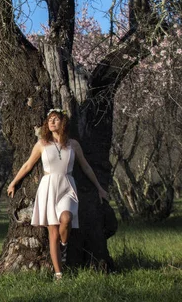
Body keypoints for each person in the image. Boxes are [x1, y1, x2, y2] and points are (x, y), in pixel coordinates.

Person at [6, 108, 109, 280]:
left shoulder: (73, 144)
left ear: (63, 122)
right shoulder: (41, 144)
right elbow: (27, 166)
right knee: (52, 231)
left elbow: (86, 167)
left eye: (55, 119)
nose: (52, 122)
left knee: (66, 218)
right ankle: (59, 274)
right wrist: (13, 182)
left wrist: (99, 187)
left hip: (67, 186)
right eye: (49, 120)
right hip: (48, 188)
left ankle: (64, 244)